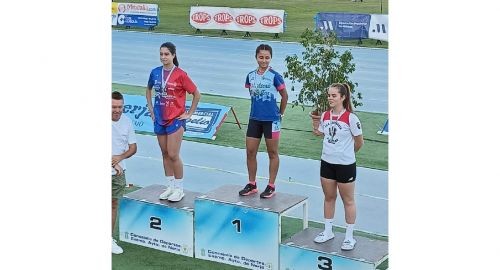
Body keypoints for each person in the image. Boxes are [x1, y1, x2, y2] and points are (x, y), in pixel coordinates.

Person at [146, 42, 201, 202]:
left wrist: (189, 113)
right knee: (164, 153)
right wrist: (150, 108)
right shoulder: (155, 72)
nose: (163, 57)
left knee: (173, 154)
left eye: (166, 54)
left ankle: (179, 188)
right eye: (161, 54)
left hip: (175, 119)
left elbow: (197, 94)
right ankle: (169, 186)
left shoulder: (181, 74)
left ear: (173, 55)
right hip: (159, 117)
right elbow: (148, 89)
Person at [312, 83, 364, 251]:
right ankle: (328, 231)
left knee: (348, 200)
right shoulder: (325, 115)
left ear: (343, 97)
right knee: (329, 197)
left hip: (345, 165)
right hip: (327, 163)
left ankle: (349, 237)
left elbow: (359, 142)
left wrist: (347, 154)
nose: (330, 98)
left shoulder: (351, 118)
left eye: (334, 95)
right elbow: (322, 133)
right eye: (329, 95)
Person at [238, 44, 288, 199]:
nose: (264, 60)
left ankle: (271, 186)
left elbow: (284, 96)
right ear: (256, 57)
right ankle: (252, 184)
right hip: (254, 119)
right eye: (261, 57)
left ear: (270, 58)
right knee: (250, 152)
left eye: (267, 57)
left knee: (272, 153)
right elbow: (252, 93)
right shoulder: (250, 76)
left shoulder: (275, 76)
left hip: (271, 120)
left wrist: (280, 114)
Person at [112, 91, 138, 254]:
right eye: (113, 107)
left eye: (120, 107)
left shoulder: (127, 122)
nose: (117, 110)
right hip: (116, 168)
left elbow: (133, 147)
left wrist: (119, 158)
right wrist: (114, 162)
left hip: (118, 174)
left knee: (113, 204)